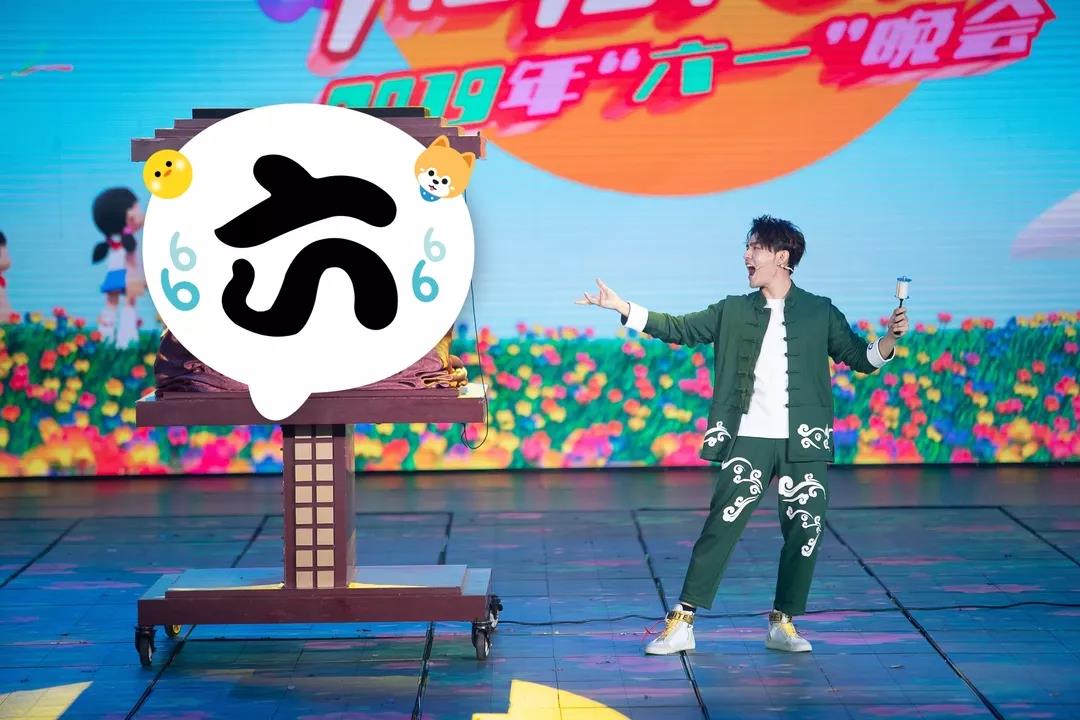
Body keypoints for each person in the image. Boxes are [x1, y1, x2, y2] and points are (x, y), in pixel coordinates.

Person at [577, 215, 908, 655]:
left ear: (782, 257)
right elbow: (681, 328)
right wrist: (624, 307)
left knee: (805, 530)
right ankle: (683, 621)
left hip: (803, 441)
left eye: (756, 248)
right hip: (749, 436)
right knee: (722, 525)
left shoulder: (820, 311)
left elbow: (861, 358)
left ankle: (783, 621)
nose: (747, 256)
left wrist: (888, 339)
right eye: (747, 247)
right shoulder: (732, 310)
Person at [91, 188, 146, 346]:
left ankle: (105, 335)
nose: (142, 213)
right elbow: (132, 263)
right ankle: (126, 339)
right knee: (129, 303)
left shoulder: (113, 241)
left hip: (113, 275)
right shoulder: (128, 242)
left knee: (111, 303)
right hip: (128, 276)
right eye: (137, 208)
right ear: (128, 216)